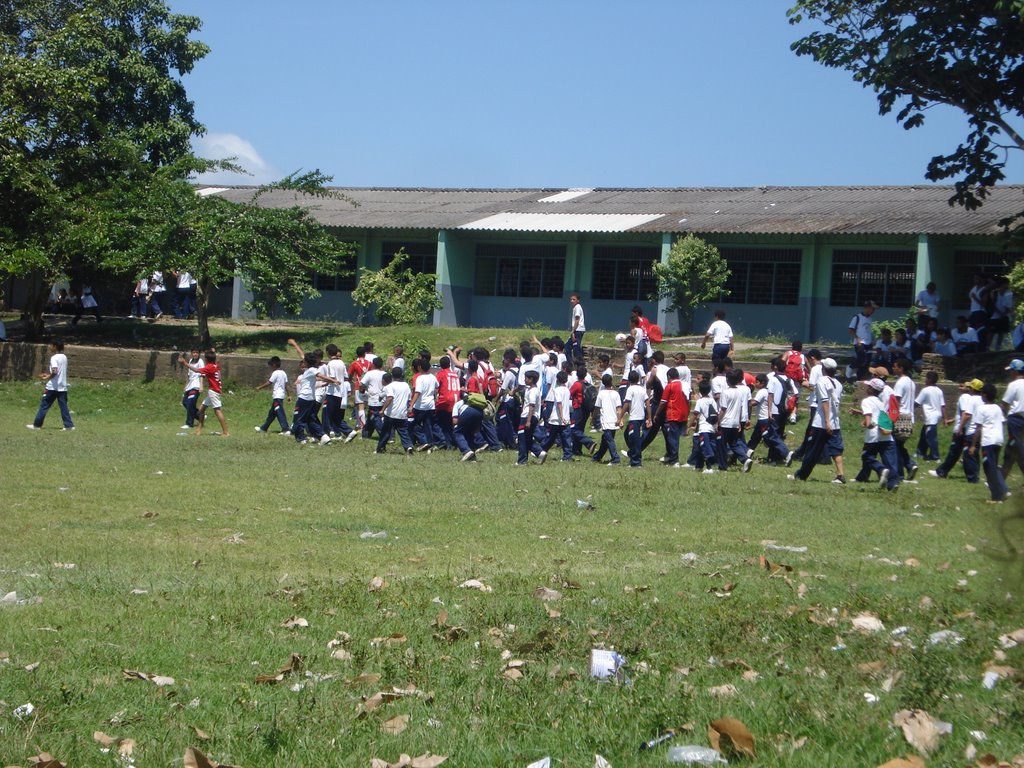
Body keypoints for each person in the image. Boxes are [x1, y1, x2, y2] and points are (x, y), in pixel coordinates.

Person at [789, 357, 846, 483]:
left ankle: (801, 475)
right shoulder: (838, 384)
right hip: (835, 422)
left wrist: (826, 421)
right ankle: (840, 475)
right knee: (836, 450)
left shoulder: (822, 381)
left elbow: (825, 401)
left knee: (812, 450)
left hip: (821, 423)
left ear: (824, 369)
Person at [929, 379, 983, 483]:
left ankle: (970, 477)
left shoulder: (968, 398)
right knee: (972, 453)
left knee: (958, 453)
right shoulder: (982, 400)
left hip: (967, 429)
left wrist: (959, 427)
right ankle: (974, 475)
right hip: (978, 430)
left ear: (971, 388)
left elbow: (966, 414)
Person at [853, 378, 900, 491]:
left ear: (871, 389)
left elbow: (869, 419)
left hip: (873, 435)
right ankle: (893, 484)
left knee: (867, 456)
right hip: (886, 435)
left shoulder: (867, 401)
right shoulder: (881, 402)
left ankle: (880, 469)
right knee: (890, 461)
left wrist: (868, 424)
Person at [971, 383, 1010, 503]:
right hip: (998, 440)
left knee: (989, 469)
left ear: (985, 395)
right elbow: (1003, 422)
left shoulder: (981, 408)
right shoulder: (997, 408)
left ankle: (999, 494)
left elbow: (978, 428)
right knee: (993, 466)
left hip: (988, 440)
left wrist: (973, 445)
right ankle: (1000, 492)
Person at [179, 349, 229, 437]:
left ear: (206, 359)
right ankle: (198, 430)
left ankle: (226, 432)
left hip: (214, 391)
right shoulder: (215, 365)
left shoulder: (209, 367)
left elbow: (197, 370)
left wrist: (185, 363)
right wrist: (213, 351)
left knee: (217, 411)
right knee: (201, 410)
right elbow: (218, 359)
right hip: (213, 391)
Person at [27, 339, 74, 430]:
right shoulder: (64, 357)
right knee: (64, 407)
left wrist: (47, 377)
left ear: (55, 346)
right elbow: (59, 372)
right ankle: (69, 425)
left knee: (44, 405)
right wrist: (48, 374)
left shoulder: (54, 358)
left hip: (52, 387)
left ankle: (37, 425)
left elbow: (55, 371)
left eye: (51, 345)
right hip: (62, 386)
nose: (49, 347)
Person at [719, 368, 754, 472]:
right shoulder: (739, 392)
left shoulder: (725, 393)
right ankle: (745, 459)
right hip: (735, 422)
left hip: (725, 422)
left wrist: (718, 421)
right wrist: (739, 422)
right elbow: (740, 408)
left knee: (722, 444)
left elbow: (723, 409)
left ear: (727, 380)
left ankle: (722, 466)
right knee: (734, 444)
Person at [891, 359, 919, 480]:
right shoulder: (911, 383)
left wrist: (892, 417)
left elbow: (896, 401)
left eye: (895, 366)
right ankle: (909, 465)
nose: (893, 368)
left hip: (900, 416)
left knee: (894, 446)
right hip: (909, 417)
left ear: (901, 368)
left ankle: (900, 472)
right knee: (899, 445)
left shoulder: (900, 382)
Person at [655, 366, 689, 467]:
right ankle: (671, 457)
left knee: (672, 438)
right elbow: (689, 400)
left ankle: (674, 460)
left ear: (669, 377)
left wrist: (656, 413)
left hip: (673, 415)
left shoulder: (670, 386)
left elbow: (663, 402)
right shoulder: (686, 385)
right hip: (684, 414)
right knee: (675, 437)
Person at [376, 368, 414, 454]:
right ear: (401, 375)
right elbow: (408, 399)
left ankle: (380, 448)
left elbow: (390, 398)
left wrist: (382, 410)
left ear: (392, 375)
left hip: (391, 413)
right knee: (403, 431)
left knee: (386, 431)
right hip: (402, 413)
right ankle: (409, 446)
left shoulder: (390, 386)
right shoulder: (406, 385)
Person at [540, 370, 574, 461]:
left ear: (557, 380)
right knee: (566, 438)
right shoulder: (567, 390)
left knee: (550, 437)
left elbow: (559, 403)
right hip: (565, 419)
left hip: (557, 418)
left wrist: (561, 416)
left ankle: (541, 450)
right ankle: (567, 456)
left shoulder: (557, 390)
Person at [591, 373, 623, 465]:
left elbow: (597, 408)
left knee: (609, 440)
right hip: (614, 420)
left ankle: (615, 459)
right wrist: (620, 419)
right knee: (605, 440)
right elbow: (619, 408)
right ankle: (597, 457)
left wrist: (593, 418)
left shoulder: (601, 393)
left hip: (605, 420)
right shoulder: (616, 393)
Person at [621, 369, 650, 468]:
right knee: (627, 434)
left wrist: (620, 417)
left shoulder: (630, 389)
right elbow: (647, 403)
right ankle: (632, 453)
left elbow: (626, 403)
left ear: (629, 380)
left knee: (634, 438)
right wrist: (649, 417)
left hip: (635, 417)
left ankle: (636, 461)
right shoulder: (642, 389)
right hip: (640, 416)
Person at [914, 370, 945, 462]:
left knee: (931, 438)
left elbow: (917, 403)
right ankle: (920, 452)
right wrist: (945, 418)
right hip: (936, 415)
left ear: (929, 379)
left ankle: (935, 456)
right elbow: (943, 405)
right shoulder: (939, 391)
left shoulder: (925, 390)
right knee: (924, 434)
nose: (925, 380)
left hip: (930, 416)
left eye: (926, 378)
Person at [255, 355, 291, 435]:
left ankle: (285, 429)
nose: (270, 368)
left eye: (271, 366)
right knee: (272, 413)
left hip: (277, 396)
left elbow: (269, 382)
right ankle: (263, 428)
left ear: (274, 365)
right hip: (281, 395)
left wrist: (259, 387)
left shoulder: (275, 373)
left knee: (279, 412)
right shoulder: (283, 373)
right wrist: (289, 395)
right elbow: (286, 385)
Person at [1001, 358, 1024, 478]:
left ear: (1015, 371)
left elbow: (1005, 404)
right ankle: (1001, 478)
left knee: (1017, 447)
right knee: (1011, 449)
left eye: (1011, 371)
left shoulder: (1013, 385)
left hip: (1015, 419)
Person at [517, 369, 545, 465]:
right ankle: (539, 452)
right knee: (528, 437)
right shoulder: (533, 390)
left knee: (522, 438)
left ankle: (522, 460)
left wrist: (528, 420)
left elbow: (531, 406)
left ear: (531, 379)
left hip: (527, 416)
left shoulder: (533, 391)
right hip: (531, 416)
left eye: (526, 378)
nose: (524, 380)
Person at [848, 300, 878, 380]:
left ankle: (860, 378)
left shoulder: (870, 319)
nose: (873, 311)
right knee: (861, 357)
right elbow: (851, 330)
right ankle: (851, 367)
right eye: (872, 309)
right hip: (860, 343)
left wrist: (872, 340)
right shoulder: (857, 317)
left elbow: (868, 331)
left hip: (868, 343)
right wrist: (857, 338)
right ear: (867, 308)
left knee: (866, 362)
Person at [180, 347, 204, 430]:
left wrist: (201, 385)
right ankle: (199, 415)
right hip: (190, 386)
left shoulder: (200, 362)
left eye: (197, 352)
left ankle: (189, 423)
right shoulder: (190, 361)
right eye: (193, 352)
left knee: (190, 403)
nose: (195, 354)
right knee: (185, 402)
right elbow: (189, 375)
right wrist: (186, 385)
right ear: (191, 353)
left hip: (196, 386)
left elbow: (201, 373)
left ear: (199, 353)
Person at [564, 292, 586, 362]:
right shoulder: (576, 308)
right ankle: (576, 363)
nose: (572, 301)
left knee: (569, 347)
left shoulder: (577, 307)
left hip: (578, 330)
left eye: (574, 299)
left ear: (578, 300)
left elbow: (577, 320)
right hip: (578, 330)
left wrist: (573, 331)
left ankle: (574, 364)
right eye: (571, 299)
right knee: (575, 348)